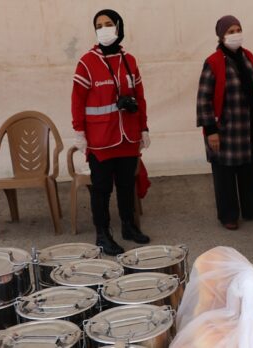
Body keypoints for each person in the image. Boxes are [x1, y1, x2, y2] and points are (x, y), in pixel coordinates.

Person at [72, 9, 151, 256]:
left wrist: (144, 127)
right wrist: (79, 131)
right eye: (99, 25)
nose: (104, 28)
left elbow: (139, 97)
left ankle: (128, 226)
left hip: (127, 136)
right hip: (101, 139)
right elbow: (77, 99)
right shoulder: (87, 62)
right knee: (102, 189)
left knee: (126, 186)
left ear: (118, 27)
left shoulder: (130, 60)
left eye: (108, 24)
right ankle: (102, 234)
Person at [197, 15, 253, 231]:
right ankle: (228, 215)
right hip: (224, 130)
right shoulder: (213, 62)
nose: (235, 34)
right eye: (230, 31)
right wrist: (211, 130)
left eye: (237, 29)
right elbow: (203, 98)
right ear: (221, 36)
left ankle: (252, 208)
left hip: (247, 128)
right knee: (225, 175)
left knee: (248, 170)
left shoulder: (247, 56)